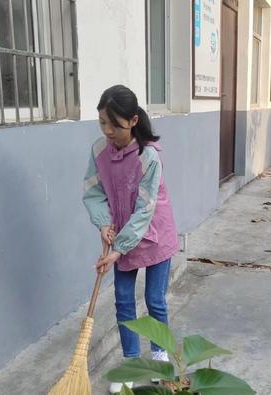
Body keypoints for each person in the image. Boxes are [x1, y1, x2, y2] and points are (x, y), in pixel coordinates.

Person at [83, 85, 179, 393]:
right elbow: (93, 192)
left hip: (153, 234)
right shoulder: (99, 151)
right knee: (124, 300)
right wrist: (102, 224)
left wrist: (118, 249)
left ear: (133, 121)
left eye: (115, 124)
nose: (108, 131)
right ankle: (130, 363)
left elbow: (144, 210)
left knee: (154, 301)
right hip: (122, 235)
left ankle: (161, 360)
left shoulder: (147, 156)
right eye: (102, 123)